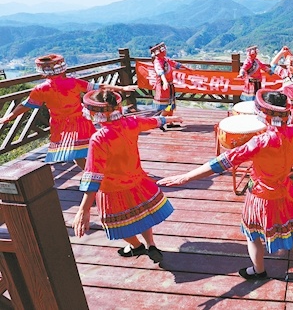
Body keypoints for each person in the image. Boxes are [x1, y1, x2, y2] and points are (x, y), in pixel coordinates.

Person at [158, 89, 293, 279]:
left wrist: (187, 177)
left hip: (261, 196)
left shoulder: (260, 142)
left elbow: (224, 161)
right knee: (292, 227)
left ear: (265, 115)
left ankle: (258, 270)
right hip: (286, 190)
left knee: (253, 235)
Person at [72, 89, 180, 263]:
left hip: (112, 190)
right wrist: (167, 119)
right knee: (143, 215)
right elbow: (151, 122)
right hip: (137, 181)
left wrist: (83, 209)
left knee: (118, 225)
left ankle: (136, 246)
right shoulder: (131, 123)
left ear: (94, 114)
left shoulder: (99, 139)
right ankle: (151, 244)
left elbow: (93, 175)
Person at [0, 54, 136, 169]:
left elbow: (26, 105)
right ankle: (108, 169)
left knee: (74, 153)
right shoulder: (73, 82)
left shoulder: (40, 89)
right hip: (80, 120)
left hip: (60, 125)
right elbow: (99, 86)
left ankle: (90, 174)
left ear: (42, 71)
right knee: (93, 146)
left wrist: (9, 117)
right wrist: (122, 89)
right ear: (63, 68)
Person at [149, 42, 190, 126]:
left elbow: (175, 64)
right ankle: (160, 121)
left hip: (169, 85)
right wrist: (165, 82)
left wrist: (186, 68)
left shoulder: (165, 59)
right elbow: (160, 73)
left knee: (170, 105)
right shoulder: (157, 62)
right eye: (163, 50)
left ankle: (170, 122)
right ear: (159, 52)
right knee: (166, 106)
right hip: (163, 86)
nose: (165, 51)